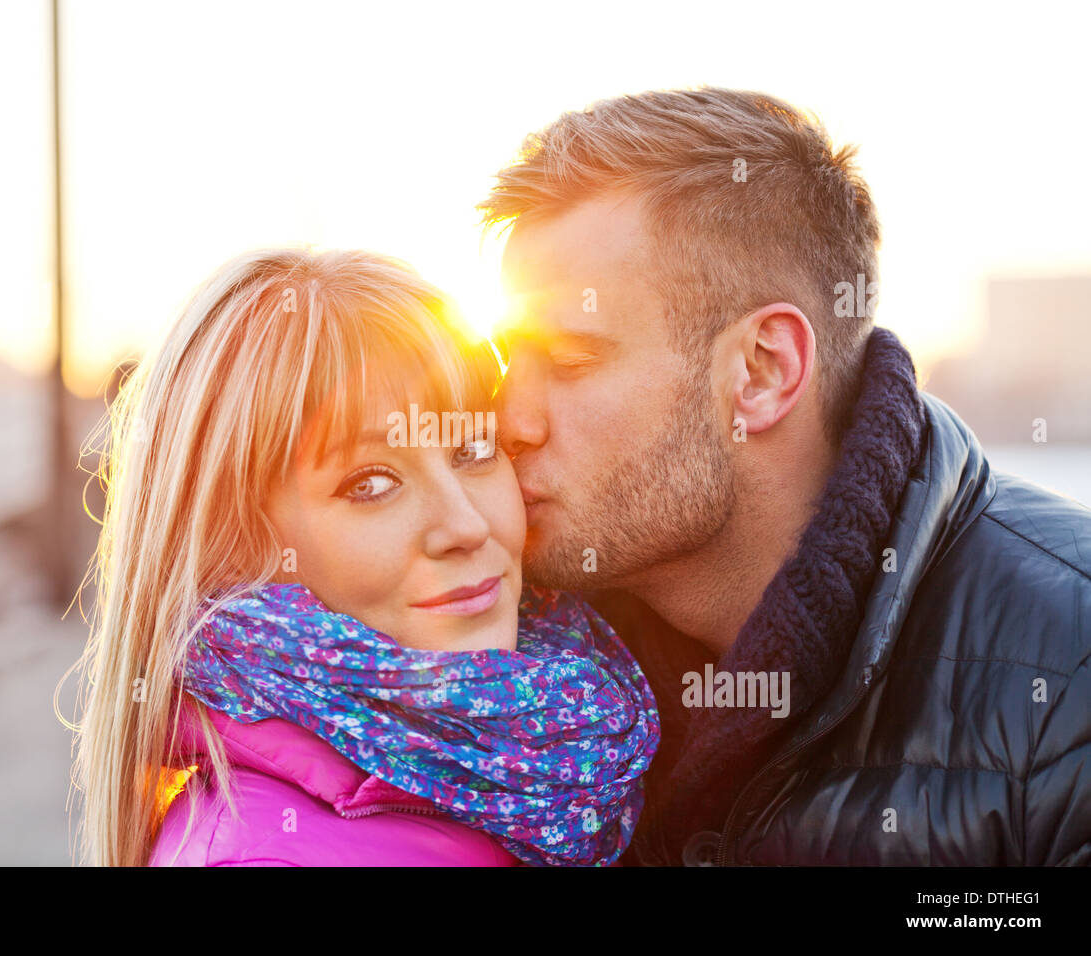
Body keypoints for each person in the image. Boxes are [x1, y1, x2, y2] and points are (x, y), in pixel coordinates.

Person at [480, 87, 1091, 866]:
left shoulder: (1070, 681)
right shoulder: (496, 656)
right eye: (504, 362)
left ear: (762, 371)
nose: (508, 418)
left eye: (570, 359)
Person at [68, 247, 660, 866]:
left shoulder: (561, 736)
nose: (465, 524)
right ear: (233, 551)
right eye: (371, 484)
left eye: (473, 448)